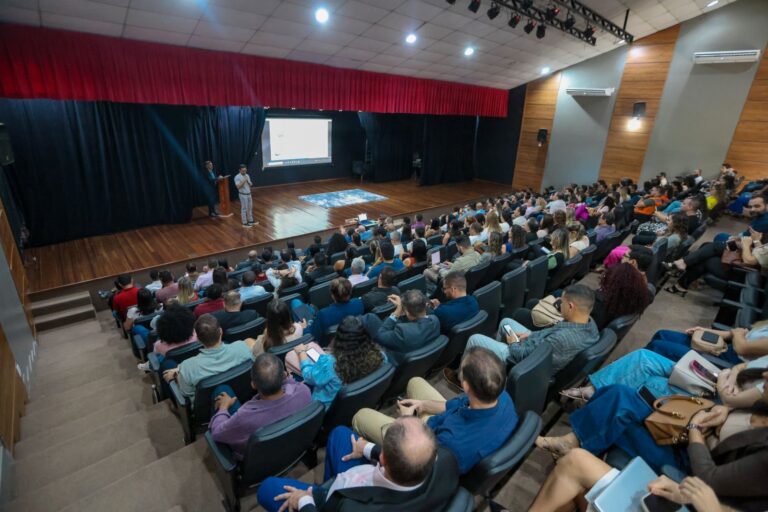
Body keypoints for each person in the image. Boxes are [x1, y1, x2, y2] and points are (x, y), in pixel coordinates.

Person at [352, 346, 518, 474]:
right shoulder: (502, 396)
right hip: (447, 425)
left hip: (427, 443)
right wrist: (422, 405)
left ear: (465, 386)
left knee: (361, 416)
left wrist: (407, 421)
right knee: (414, 382)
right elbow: (454, 405)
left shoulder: (452, 445)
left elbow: (418, 458)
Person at [257, 416, 441, 512]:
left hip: (332, 505)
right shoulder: (444, 461)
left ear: (383, 459)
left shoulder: (354, 509)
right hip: (358, 484)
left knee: (267, 488)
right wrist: (368, 448)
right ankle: (325, 488)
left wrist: (304, 501)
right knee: (340, 433)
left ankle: (322, 496)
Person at [454, 284, 599, 381]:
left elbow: (526, 357)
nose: (559, 304)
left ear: (571, 306)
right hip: (536, 343)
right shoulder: (589, 324)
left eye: (562, 302)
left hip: (523, 360)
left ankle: (462, 379)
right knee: (506, 323)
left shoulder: (563, 339)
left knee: (474, 339)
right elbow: (550, 336)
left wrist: (514, 343)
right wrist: (530, 335)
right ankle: (496, 367)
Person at [209, 353, 312, 459]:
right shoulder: (304, 391)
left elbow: (217, 433)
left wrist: (223, 408)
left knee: (222, 389)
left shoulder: (244, 416)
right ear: (284, 375)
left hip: (258, 458)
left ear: (253, 384)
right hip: (290, 447)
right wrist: (286, 379)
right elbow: (293, 385)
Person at [291, 316, 384, 408]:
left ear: (339, 337)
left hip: (328, 408)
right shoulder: (379, 355)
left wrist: (301, 352)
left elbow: (308, 377)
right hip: (360, 402)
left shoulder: (331, 363)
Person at [162, 314, 256, 398]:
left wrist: (176, 375)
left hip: (207, 412)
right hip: (243, 397)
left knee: (168, 364)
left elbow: (186, 393)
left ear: (198, 339)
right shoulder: (243, 347)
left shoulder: (187, 367)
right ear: (221, 331)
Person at [361, 290, 441, 366]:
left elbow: (380, 335)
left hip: (397, 361)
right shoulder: (435, 320)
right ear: (425, 305)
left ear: (407, 312)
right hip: (421, 358)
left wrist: (398, 310)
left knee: (370, 318)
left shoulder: (403, 332)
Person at [646, 321, 768, 365]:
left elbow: (742, 348)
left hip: (723, 362)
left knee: (658, 346)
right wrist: (704, 331)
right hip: (722, 347)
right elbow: (731, 333)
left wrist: (737, 333)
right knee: (662, 334)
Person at [136, 303, 199, 372]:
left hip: (172, 369)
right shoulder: (197, 334)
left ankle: (149, 365)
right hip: (193, 364)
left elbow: (154, 356)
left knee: (159, 358)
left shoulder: (159, 345)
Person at [309, 278, 364, 345]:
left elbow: (314, 335)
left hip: (332, 347)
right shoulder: (358, 303)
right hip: (356, 340)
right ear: (350, 291)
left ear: (332, 295)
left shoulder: (323, 314)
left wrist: (303, 327)